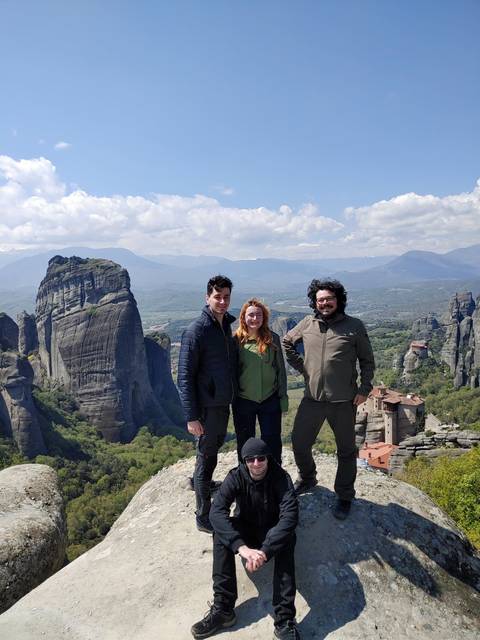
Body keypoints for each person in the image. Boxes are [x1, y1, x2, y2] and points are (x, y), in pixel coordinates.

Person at [283, 279, 375, 520]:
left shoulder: (354, 326)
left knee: (345, 450)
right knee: (300, 442)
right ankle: (308, 477)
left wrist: (365, 389)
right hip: (312, 398)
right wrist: (304, 369)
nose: (324, 303)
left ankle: (344, 496)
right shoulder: (308, 323)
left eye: (329, 299)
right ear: (315, 302)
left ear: (338, 300)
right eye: (320, 299)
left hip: (344, 401)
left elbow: (367, 360)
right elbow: (287, 341)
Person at [191, 437, 300, 640]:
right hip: (247, 529)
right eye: (251, 459)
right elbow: (217, 512)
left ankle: (284, 620)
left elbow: (290, 517)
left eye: (261, 458)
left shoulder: (280, 478)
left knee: (288, 538)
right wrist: (241, 547)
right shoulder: (236, 477)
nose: (256, 464)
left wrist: (265, 551)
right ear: (244, 461)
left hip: (271, 530)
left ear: (268, 458)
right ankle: (223, 609)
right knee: (220, 532)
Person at [178, 275, 237, 534]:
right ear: (207, 297)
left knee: (211, 449)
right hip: (206, 407)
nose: (222, 302)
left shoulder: (224, 326)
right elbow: (184, 376)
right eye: (217, 297)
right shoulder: (197, 330)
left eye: (226, 297)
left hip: (221, 402)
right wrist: (192, 417)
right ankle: (203, 515)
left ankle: (200, 482)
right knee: (206, 454)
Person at [233, 298, 288, 464]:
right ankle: (245, 478)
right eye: (251, 315)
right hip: (244, 400)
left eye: (259, 315)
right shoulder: (235, 341)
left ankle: (275, 475)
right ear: (243, 317)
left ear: (264, 317)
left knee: (272, 440)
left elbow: (280, 371)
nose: (255, 318)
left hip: (269, 399)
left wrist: (283, 400)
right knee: (245, 440)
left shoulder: (273, 339)